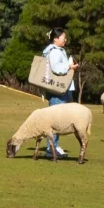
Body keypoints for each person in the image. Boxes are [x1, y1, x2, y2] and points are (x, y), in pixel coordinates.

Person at [41, 26, 77, 159]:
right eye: (63, 37)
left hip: (60, 89)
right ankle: (51, 148)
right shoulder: (55, 52)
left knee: (57, 119)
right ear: (56, 39)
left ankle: (54, 146)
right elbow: (57, 68)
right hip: (57, 91)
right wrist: (69, 66)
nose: (65, 39)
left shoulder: (58, 50)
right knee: (55, 120)